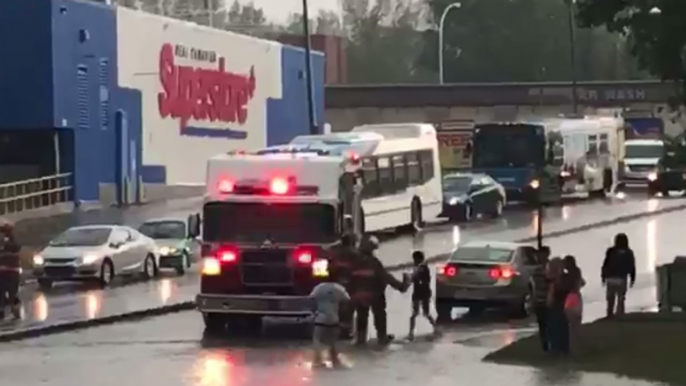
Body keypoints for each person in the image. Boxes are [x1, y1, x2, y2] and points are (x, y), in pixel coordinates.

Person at [351, 234, 407, 346]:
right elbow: (385, 277)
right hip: (374, 295)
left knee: (362, 316)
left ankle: (360, 340)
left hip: (358, 295)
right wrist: (401, 286)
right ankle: (382, 337)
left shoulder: (355, 261)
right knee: (380, 315)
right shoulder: (374, 262)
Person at [309, 270, 350, 368]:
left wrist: (314, 312)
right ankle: (334, 360)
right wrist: (344, 317)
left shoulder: (319, 288)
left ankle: (317, 360)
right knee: (333, 341)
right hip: (333, 319)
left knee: (317, 340)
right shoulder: (339, 288)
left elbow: (311, 299)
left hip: (320, 319)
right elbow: (347, 301)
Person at [327, 233, 360, 339]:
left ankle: (335, 330)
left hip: (335, 283)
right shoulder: (354, 254)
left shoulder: (335, 252)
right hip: (348, 284)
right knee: (347, 309)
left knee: (336, 307)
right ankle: (345, 332)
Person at [602, 233, 636, 317]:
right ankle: (619, 314)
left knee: (610, 299)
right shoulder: (629, 253)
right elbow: (632, 266)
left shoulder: (610, 251)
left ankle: (609, 314)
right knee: (621, 298)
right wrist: (632, 278)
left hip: (610, 278)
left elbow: (605, 264)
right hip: (621, 278)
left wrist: (603, 276)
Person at [407, 250, 438, 341]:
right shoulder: (418, 267)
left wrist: (412, 278)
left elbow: (423, 280)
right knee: (418, 313)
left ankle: (435, 327)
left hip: (423, 293)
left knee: (423, 313)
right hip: (419, 293)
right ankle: (411, 332)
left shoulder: (423, 268)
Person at [546, 257, 569, 356]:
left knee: (554, 327)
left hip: (556, 306)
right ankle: (564, 348)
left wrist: (548, 304)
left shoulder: (552, 281)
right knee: (563, 327)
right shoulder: (565, 278)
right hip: (565, 305)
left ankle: (556, 348)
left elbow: (550, 296)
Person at [562, 255, 585, 355]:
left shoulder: (566, 276)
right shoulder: (577, 272)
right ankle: (575, 347)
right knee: (576, 323)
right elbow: (582, 282)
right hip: (576, 296)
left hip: (570, 297)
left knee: (571, 324)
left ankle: (572, 348)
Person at [0, 222, 21, 320]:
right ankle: (7, 309)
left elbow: (16, 247)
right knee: (5, 291)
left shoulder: (12, 241)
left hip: (11, 270)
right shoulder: (9, 241)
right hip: (8, 270)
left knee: (10, 291)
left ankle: (12, 308)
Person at [532, 246, 551, 352]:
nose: (539, 257)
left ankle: (552, 345)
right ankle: (545, 347)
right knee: (542, 325)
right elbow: (534, 285)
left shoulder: (550, 267)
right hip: (539, 300)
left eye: (542, 255)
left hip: (548, 300)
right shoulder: (537, 269)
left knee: (550, 324)